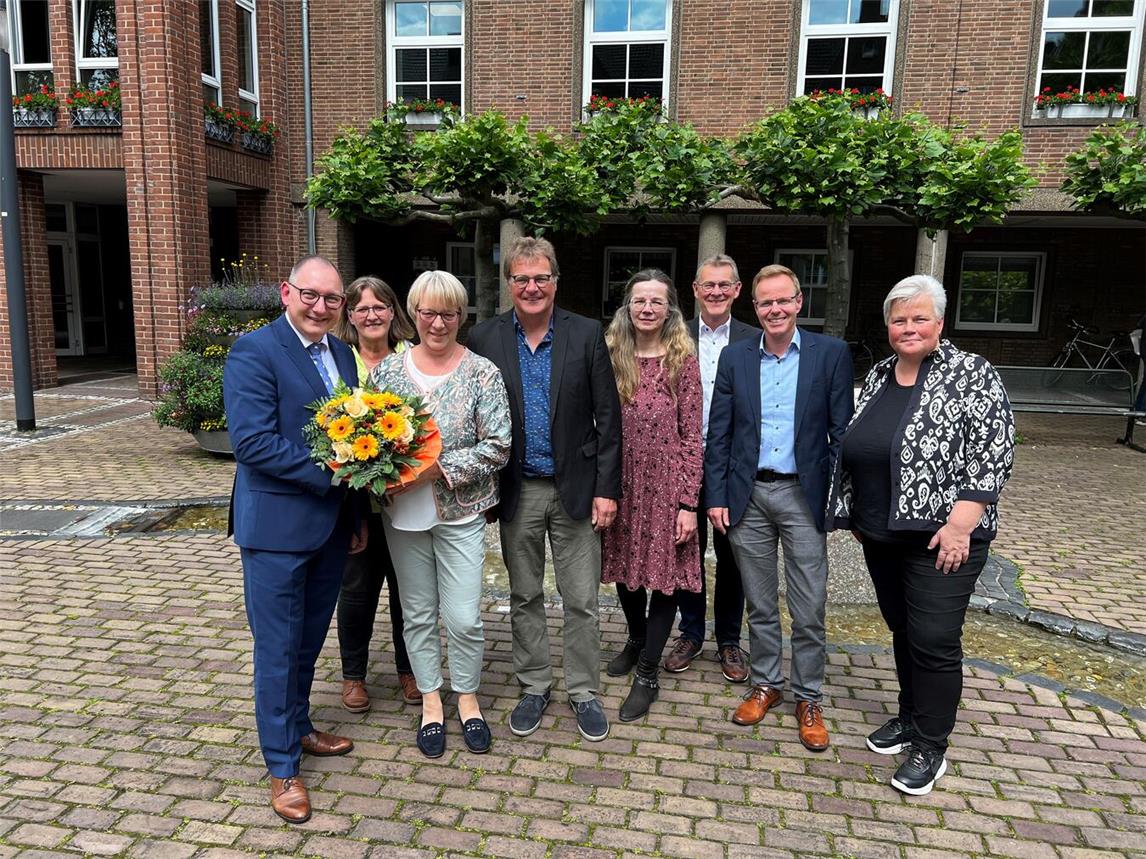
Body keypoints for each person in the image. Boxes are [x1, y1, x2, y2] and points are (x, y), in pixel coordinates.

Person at [827, 274, 1015, 796]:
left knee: (934, 639)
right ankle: (910, 717)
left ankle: (931, 744)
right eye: (899, 319)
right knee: (903, 628)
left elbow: (993, 453)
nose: (908, 327)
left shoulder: (972, 374)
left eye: (919, 318)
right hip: (883, 532)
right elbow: (859, 446)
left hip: (944, 538)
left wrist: (961, 524)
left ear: (940, 322)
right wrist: (858, 516)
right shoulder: (882, 373)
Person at [223, 255, 368, 824]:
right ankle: (282, 766)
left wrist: (353, 513)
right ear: (287, 292)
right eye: (311, 295)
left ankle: (300, 726)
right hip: (278, 529)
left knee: (307, 641)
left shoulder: (341, 355)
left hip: (331, 526)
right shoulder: (255, 351)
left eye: (333, 300)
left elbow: (358, 438)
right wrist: (331, 473)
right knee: (277, 649)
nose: (321, 307)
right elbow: (252, 443)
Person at [466, 236, 622, 743]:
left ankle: (583, 691)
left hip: (576, 489)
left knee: (580, 600)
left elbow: (608, 418)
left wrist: (607, 489)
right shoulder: (485, 338)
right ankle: (534, 685)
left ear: (556, 281)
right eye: (521, 278)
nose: (532, 287)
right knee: (525, 594)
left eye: (541, 278)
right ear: (509, 283)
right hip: (518, 490)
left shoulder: (585, 334)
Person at [705, 263, 853, 752]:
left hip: (801, 496)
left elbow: (840, 435)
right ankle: (766, 683)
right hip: (749, 497)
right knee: (761, 603)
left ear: (798, 303)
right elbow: (720, 434)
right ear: (756, 306)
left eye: (783, 300)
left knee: (809, 606)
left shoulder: (829, 355)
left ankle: (808, 697)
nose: (775, 309)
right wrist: (718, 495)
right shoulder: (736, 357)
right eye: (766, 302)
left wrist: (832, 498)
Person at [371, 270, 511, 759]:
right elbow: (369, 440)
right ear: (413, 314)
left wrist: (435, 471)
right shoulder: (387, 373)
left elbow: (498, 446)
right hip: (402, 514)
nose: (437, 322)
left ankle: (467, 697)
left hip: (460, 511)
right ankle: (432, 699)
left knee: (464, 616)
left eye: (448, 312)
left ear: (461, 315)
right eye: (428, 312)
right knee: (418, 613)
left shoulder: (481, 373)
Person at [600, 269, 703, 721]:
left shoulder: (682, 359)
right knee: (625, 570)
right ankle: (636, 637)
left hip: (666, 486)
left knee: (665, 578)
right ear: (628, 305)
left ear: (669, 308)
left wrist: (687, 503)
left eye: (656, 302)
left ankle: (647, 672)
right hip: (621, 484)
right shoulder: (609, 353)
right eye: (639, 300)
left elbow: (691, 436)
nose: (647, 309)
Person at [660, 254, 759, 683]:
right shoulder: (673, 337)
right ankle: (691, 632)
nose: (716, 292)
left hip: (732, 465)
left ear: (737, 290)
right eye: (708, 286)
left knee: (732, 554)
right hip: (684, 460)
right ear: (695, 291)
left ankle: (729, 639)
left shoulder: (755, 340)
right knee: (687, 550)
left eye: (724, 285)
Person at [332, 276, 420, 713]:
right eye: (362, 308)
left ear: (393, 312)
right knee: (357, 589)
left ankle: (410, 670)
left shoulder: (410, 359)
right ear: (350, 316)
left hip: (406, 497)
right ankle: (353, 676)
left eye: (380, 307)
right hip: (356, 501)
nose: (372, 316)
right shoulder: (338, 362)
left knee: (409, 589)